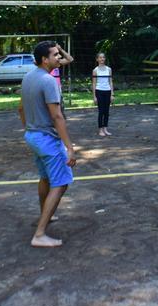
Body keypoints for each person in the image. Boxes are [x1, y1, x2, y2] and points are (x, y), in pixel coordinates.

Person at [18, 41, 77, 247]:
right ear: (45, 59)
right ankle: (40, 234)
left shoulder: (28, 77)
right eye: (55, 55)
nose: (59, 58)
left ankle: (46, 214)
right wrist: (69, 147)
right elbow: (57, 116)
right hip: (46, 139)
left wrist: (30, 128)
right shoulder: (48, 80)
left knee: (45, 177)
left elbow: (20, 109)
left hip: (33, 136)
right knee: (60, 183)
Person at [91, 52, 114, 136]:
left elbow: (110, 82)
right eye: (100, 58)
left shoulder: (109, 69)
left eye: (103, 57)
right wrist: (94, 96)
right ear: (97, 59)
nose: (102, 59)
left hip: (107, 91)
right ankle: (100, 130)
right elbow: (94, 83)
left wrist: (112, 94)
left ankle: (105, 129)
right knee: (101, 111)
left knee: (106, 111)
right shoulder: (95, 70)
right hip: (99, 91)